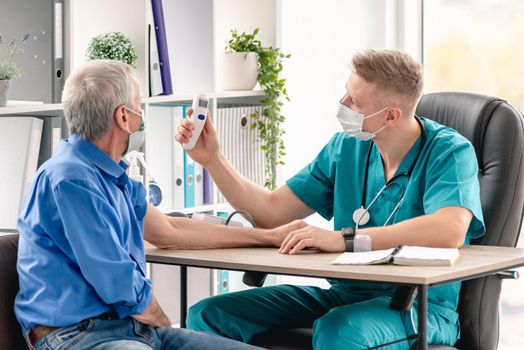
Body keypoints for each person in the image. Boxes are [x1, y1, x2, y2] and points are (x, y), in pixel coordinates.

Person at [176, 49, 485, 349]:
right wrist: (213, 159)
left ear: (390, 115)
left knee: (339, 331)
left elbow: (450, 230)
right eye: (346, 93)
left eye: (355, 101)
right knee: (208, 315)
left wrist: (345, 240)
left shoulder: (450, 152)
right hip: (344, 295)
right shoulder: (345, 148)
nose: (343, 103)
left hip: (419, 305)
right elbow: (269, 213)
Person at [15, 60, 304, 350]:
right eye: (139, 106)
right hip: (75, 336)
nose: (142, 117)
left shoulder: (110, 176)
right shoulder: (69, 179)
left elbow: (169, 229)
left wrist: (266, 236)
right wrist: (164, 324)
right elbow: (117, 280)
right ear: (124, 117)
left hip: (129, 329)